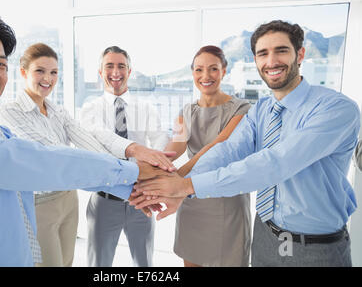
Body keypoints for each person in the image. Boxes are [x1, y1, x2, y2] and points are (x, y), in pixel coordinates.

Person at [0, 11, 168, 267]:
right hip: (46, 197)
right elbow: (45, 159)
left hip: (66, 197)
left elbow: (81, 144)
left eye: (0, 64)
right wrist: (133, 171)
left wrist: (132, 185)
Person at [132, 20, 360, 267]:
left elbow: (275, 163)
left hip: (315, 247)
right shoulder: (260, 109)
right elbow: (227, 150)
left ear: (300, 54)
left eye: (281, 50)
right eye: (263, 53)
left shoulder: (335, 108)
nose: (271, 61)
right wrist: (165, 177)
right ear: (255, 61)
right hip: (265, 235)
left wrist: (183, 185)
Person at [0, 43, 173, 267]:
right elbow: (55, 154)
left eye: (53, 72)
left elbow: (89, 144)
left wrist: (130, 184)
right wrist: (132, 159)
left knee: (68, 262)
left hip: (69, 198)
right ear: (23, 72)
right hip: (39, 202)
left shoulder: (58, 111)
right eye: (39, 71)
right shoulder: (10, 111)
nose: (47, 78)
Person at [80, 46, 171, 267]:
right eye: (109, 66)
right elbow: (99, 141)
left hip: (141, 199)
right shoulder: (90, 109)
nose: (115, 71)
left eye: (121, 66)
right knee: (98, 264)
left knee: (144, 264)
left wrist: (147, 164)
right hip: (105, 199)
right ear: (100, 72)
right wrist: (136, 153)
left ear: (130, 71)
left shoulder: (146, 108)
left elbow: (160, 137)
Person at [163, 45, 251, 267]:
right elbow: (177, 145)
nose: (205, 76)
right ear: (192, 73)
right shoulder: (186, 112)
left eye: (213, 69)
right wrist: (154, 164)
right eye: (199, 70)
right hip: (192, 202)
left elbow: (218, 146)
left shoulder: (241, 109)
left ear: (224, 71)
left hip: (226, 199)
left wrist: (178, 177)